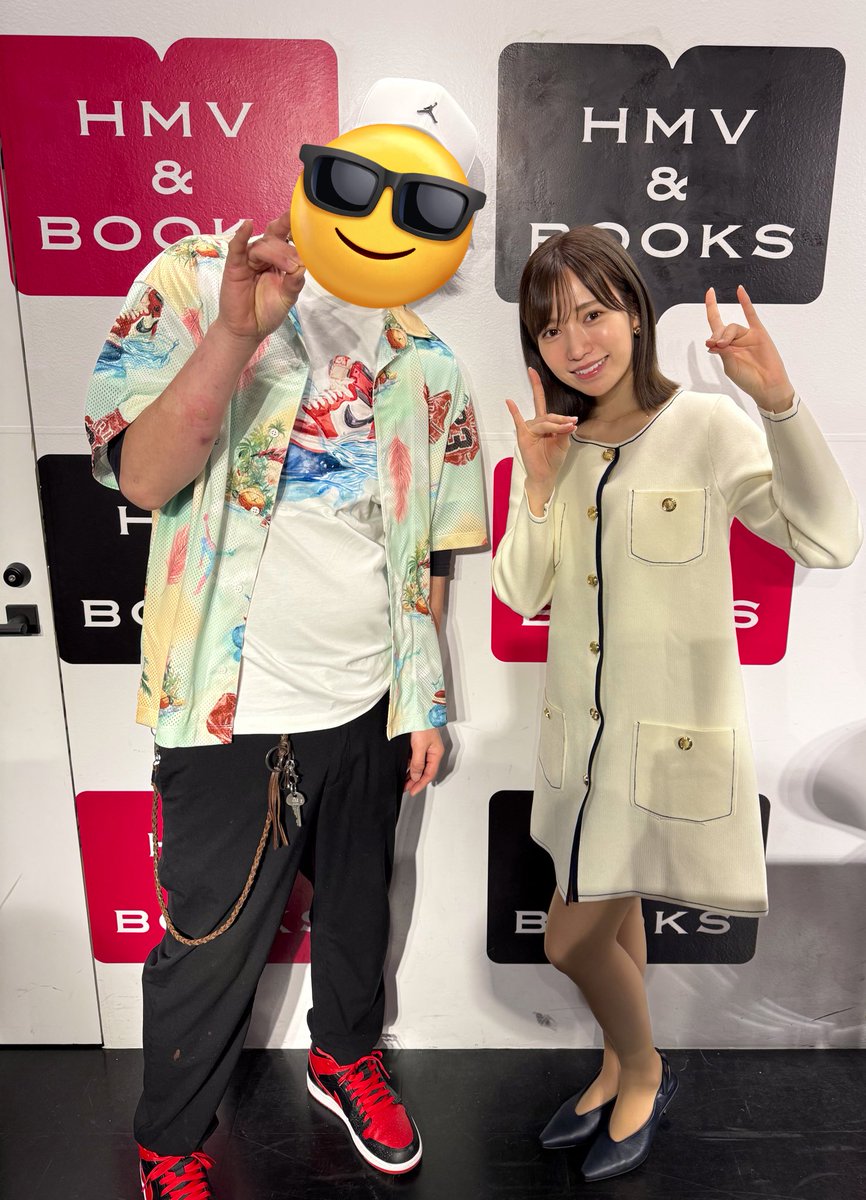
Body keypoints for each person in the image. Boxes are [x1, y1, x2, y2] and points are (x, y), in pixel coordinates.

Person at [84, 81, 487, 1199]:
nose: (384, 212)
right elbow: (143, 477)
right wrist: (233, 332)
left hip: (368, 702)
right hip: (230, 706)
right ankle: (170, 1142)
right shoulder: (187, 284)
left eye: (427, 201)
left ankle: (344, 1058)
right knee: (208, 941)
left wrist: (423, 697)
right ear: (320, 170)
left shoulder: (428, 361)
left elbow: (429, 553)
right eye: (359, 178)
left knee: (357, 913)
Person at [492, 226, 861, 1183]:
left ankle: (645, 1069)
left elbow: (829, 540)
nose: (576, 343)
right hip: (579, 752)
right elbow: (521, 592)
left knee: (570, 937)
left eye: (592, 313)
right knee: (606, 920)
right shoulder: (558, 447)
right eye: (551, 327)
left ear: (634, 314)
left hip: (663, 745)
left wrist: (777, 402)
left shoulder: (705, 425)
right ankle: (620, 1066)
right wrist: (538, 486)